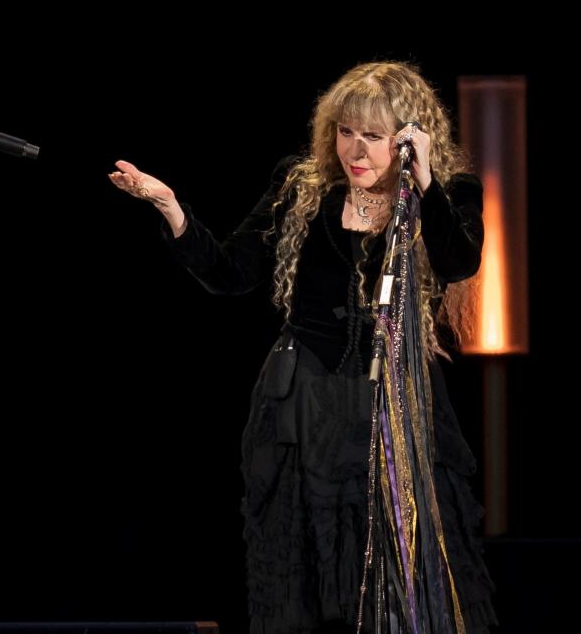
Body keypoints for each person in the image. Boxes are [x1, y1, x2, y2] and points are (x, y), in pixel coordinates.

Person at [109, 62, 497, 633]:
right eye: (345, 132)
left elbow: (459, 260)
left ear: (409, 139)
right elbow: (228, 272)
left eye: (373, 136)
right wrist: (171, 208)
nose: (355, 150)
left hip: (394, 407)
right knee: (305, 581)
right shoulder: (301, 188)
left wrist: (427, 181)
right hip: (303, 404)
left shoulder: (447, 194)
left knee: (399, 580)